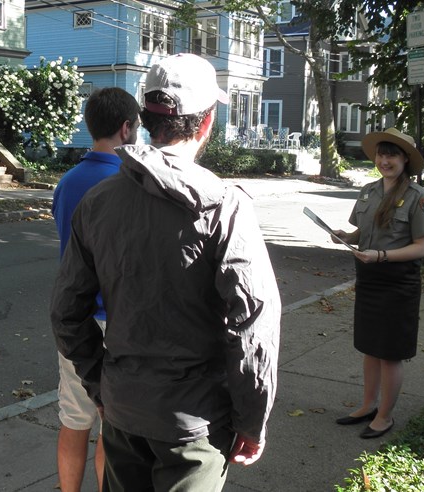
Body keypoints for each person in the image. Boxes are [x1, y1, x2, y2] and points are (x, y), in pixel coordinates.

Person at [50, 53, 281, 491]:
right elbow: (252, 324)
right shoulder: (225, 206)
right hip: (195, 425)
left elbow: (65, 312)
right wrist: (252, 420)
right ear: (207, 122)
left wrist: (103, 386)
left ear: (146, 119)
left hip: (124, 412)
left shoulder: (98, 202)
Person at [51, 87, 140, 492]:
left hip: (75, 317)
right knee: (113, 426)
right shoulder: (130, 183)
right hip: (119, 321)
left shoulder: (67, 182)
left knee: (73, 420)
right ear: (126, 128)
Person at [332, 128, 424, 439]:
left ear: (406, 159)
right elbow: (360, 234)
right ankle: (367, 405)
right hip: (368, 280)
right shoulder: (368, 191)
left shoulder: (419, 197)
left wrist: (380, 255)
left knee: (390, 352)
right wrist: (344, 235)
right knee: (370, 348)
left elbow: (422, 247)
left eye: (392, 154)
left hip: (397, 283)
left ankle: (385, 415)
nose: (385, 160)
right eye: (381, 154)